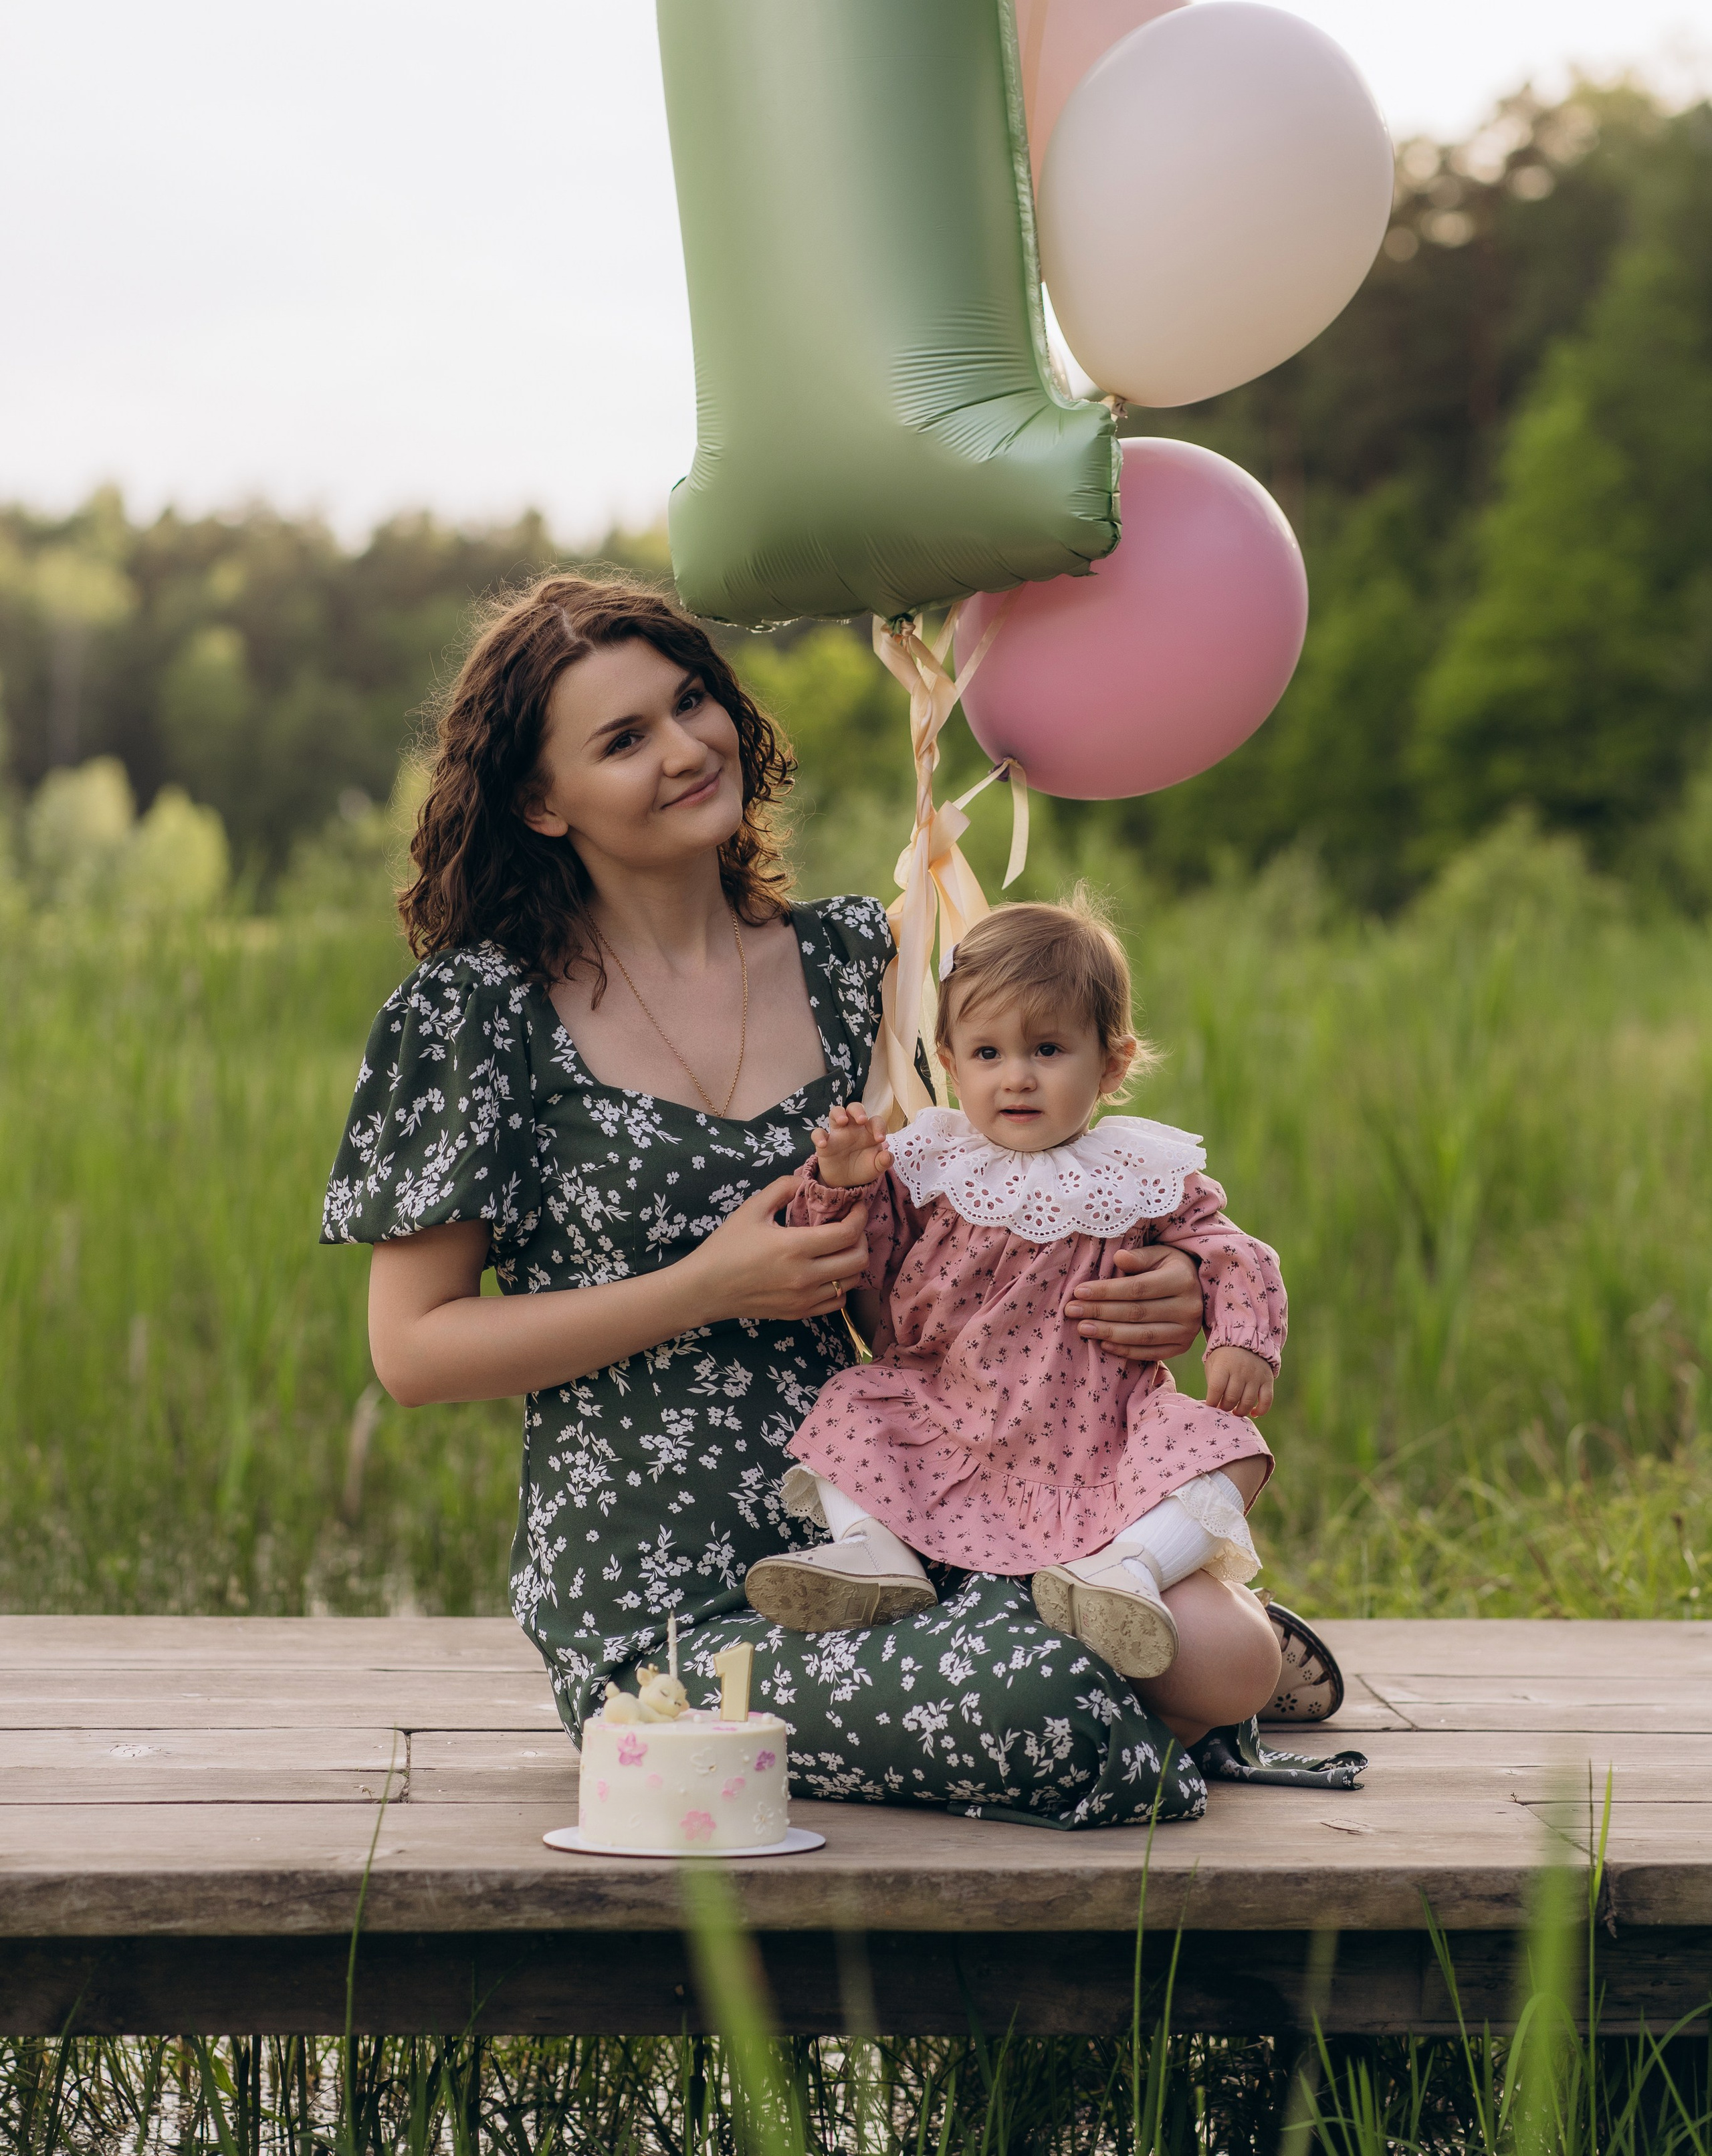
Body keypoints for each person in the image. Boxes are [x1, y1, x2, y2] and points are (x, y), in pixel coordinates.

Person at [324, 572, 1352, 1830]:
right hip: (676, 1584)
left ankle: (1159, 1641)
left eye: (691, 700)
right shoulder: (475, 1013)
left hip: (940, 1507)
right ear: (543, 801)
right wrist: (705, 1286)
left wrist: (1172, 1280)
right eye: (624, 738)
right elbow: (414, 1353)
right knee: (1048, 1702)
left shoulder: (860, 960)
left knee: (1209, 1650)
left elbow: (992, 1206)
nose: (689, 746)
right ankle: (1122, 1683)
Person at [746, 897, 1281, 1717]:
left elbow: (1231, 1250)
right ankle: (873, 1551)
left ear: (1110, 1064)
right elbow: (864, 1274)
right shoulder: (930, 1164)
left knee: (1230, 1445)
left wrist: (1239, 1336)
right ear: (951, 1065)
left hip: (1098, 1440)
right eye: (988, 1052)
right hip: (946, 1420)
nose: (1017, 1075)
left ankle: (1127, 1567)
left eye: (1049, 1048)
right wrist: (848, 1184)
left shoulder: (1138, 1173)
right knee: (853, 1400)